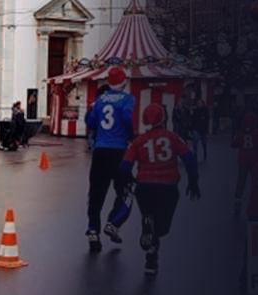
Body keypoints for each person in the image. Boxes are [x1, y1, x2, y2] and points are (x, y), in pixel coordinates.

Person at [119, 103, 201, 276]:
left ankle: (151, 260)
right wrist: (193, 181)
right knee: (162, 227)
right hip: (167, 187)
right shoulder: (173, 138)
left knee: (150, 218)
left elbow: (124, 166)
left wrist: (128, 180)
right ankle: (152, 249)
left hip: (145, 187)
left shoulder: (138, 141)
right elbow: (189, 159)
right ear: (164, 118)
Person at [82, 66, 135, 252]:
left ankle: (93, 230)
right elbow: (128, 118)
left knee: (96, 193)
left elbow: (89, 122)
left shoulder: (99, 101)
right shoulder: (128, 100)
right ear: (124, 81)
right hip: (120, 152)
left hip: (100, 151)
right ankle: (114, 222)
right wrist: (131, 135)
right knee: (126, 191)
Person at [232, 109, 258, 218]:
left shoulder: (241, 133)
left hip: (243, 159)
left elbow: (234, 144)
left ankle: (238, 202)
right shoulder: (257, 132)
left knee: (241, 181)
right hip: (255, 159)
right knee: (256, 182)